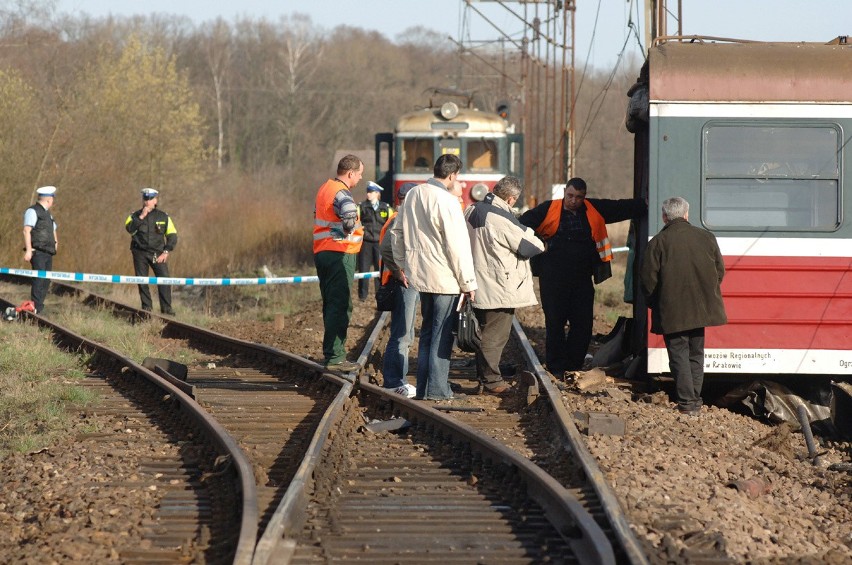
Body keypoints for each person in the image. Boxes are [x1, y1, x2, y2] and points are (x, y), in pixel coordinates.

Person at [520, 177, 644, 374]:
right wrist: (537, 243)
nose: (574, 200)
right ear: (564, 194)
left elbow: (618, 207)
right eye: (570, 196)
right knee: (555, 323)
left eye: (579, 197)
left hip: (581, 279)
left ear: (584, 197)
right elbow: (522, 224)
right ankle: (556, 366)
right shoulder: (547, 209)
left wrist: (643, 204)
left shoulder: (592, 209)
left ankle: (573, 364)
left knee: (583, 324)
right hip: (553, 279)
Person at [391, 154, 477, 400]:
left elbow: (397, 233)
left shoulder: (413, 195)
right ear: (452, 175)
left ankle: (425, 388)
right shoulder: (448, 201)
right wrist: (468, 282)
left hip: (419, 276)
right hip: (444, 278)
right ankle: (438, 390)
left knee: (428, 331)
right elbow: (457, 246)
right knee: (442, 334)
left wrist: (401, 265)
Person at [639, 197, 727, 415]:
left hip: (672, 311)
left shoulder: (657, 243)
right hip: (701, 309)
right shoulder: (706, 237)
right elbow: (719, 271)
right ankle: (695, 400)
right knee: (696, 354)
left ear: (664, 216)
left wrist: (656, 303)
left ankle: (688, 403)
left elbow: (648, 281)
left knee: (678, 355)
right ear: (687, 214)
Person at [465, 176, 545, 394]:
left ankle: (485, 377)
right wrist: (527, 231)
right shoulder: (499, 218)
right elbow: (532, 247)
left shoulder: (473, 209)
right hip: (497, 283)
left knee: (484, 330)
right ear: (511, 199)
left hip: (476, 280)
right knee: (495, 334)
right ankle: (491, 381)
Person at [313, 154, 364, 372]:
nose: (360, 178)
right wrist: (344, 232)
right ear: (350, 173)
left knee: (331, 303)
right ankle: (335, 357)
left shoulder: (325, 188)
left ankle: (333, 353)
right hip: (339, 254)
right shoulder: (342, 193)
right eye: (360, 174)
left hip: (324, 252)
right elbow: (349, 216)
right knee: (340, 305)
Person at [379, 182, 418, 398]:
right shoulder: (398, 218)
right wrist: (398, 272)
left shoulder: (398, 217)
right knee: (402, 334)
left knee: (405, 332)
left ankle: (396, 380)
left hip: (400, 281)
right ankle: (395, 381)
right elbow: (386, 249)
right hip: (402, 282)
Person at [125, 188, 178, 315]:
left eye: (150, 199)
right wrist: (141, 217)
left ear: (155, 200)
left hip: (158, 253)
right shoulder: (133, 216)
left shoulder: (164, 217)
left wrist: (166, 251)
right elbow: (130, 229)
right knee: (142, 281)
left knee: (164, 279)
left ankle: (166, 309)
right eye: (145, 199)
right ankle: (147, 309)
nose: (147, 201)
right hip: (140, 253)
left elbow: (172, 235)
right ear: (143, 200)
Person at [22, 186, 59, 314]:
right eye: (53, 198)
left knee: (45, 280)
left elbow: (53, 229)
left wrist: (55, 242)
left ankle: (38, 307)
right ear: (49, 199)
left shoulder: (48, 214)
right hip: (37, 251)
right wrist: (28, 250)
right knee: (39, 279)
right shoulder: (33, 211)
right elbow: (27, 230)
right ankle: (35, 308)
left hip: (48, 252)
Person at [357, 181, 392, 301]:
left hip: (379, 243)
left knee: (379, 270)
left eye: (371, 192)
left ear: (377, 193)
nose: (368, 194)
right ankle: (362, 296)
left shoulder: (386, 208)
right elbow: (356, 223)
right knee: (363, 269)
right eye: (367, 192)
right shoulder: (361, 207)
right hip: (365, 242)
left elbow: (391, 223)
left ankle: (380, 294)